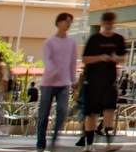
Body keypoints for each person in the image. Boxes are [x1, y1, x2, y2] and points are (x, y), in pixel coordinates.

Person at [82, 11, 126, 151]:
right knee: (91, 113)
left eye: (111, 24)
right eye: (106, 24)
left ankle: (108, 142)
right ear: (102, 24)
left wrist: (114, 58)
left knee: (109, 110)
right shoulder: (94, 39)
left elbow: (122, 58)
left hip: (109, 81)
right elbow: (85, 59)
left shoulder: (118, 39)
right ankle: (89, 144)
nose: (108, 27)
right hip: (93, 81)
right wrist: (100, 57)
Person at [36, 13, 79, 152]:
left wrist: (73, 79)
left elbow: (72, 62)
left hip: (64, 83)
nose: (68, 24)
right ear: (59, 22)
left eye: (70, 22)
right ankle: (40, 143)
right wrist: (53, 70)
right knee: (43, 114)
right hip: (48, 83)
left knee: (62, 110)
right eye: (66, 21)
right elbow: (47, 59)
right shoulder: (50, 41)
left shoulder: (71, 43)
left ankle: (54, 139)